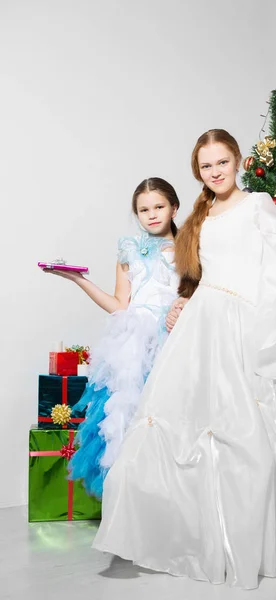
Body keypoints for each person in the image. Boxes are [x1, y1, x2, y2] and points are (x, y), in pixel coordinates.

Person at [93, 130, 276, 588]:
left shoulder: (259, 206)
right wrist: (182, 301)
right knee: (184, 428)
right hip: (202, 324)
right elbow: (194, 273)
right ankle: (192, 534)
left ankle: (257, 542)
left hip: (245, 323)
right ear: (198, 171)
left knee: (249, 436)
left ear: (238, 162)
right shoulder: (198, 214)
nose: (215, 172)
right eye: (206, 166)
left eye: (222, 163)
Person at [43, 177, 181, 498]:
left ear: (174, 207)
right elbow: (120, 305)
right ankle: (136, 507)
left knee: (172, 421)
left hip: (175, 336)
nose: (152, 214)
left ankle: (176, 506)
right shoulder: (129, 248)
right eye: (143, 210)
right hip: (134, 343)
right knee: (129, 422)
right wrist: (79, 279)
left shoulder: (191, 245)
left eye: (159, 206)